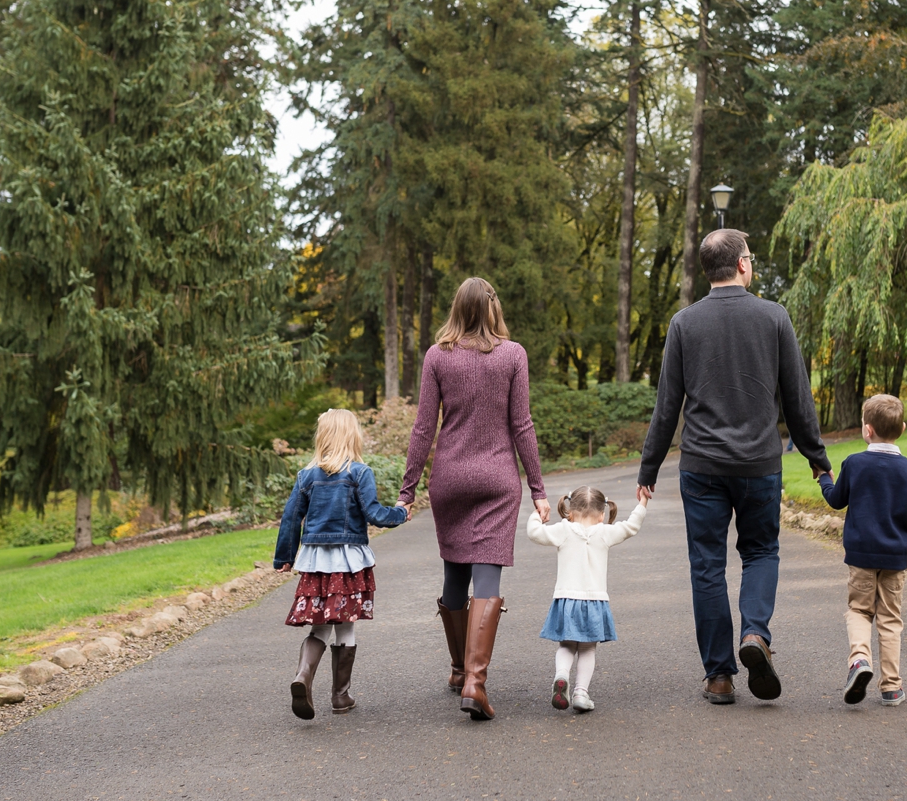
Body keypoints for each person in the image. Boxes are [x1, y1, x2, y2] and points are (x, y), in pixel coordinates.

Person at [639, 228, 832, 704]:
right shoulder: (774, 317)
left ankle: (720, 677)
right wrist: (817, 458)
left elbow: (667, 407)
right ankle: (754, 635)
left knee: (706, 566)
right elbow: (796, 396)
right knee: (761, 552)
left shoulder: (684, 324)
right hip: (759, 464)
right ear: (742, 265)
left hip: (701, 465)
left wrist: (648, 470)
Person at [400, 277, 551, 721]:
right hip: (497, 481)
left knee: (454, 574)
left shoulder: (437, 356)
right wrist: (539, 489)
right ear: (491, 308)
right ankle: (474, 682)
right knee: (486, 580)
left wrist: (407, 490)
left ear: (456, 309)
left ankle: (456, 668)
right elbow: (521, 425)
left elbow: (423, 428)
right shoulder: (512, 355)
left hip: (449, 480)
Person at [816, 393, 907, 707]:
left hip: (861, 556)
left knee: (859, 611)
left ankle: (860, 660)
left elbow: (837, 500)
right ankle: (891, 687)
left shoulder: (854, 463)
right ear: (903, 428)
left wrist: (825, 479)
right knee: (890, 619)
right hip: (895, 559)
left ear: (867, 430)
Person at [273, 408, 410, 719]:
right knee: (345, 625)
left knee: (319, 626)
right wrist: (400, 512)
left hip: (316, 561)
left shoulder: (306, 476)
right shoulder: (360, 472)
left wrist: (284, 557)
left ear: (322, 437)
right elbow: (374, 513)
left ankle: (303, 677)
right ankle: (340, 696)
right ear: (353, 435)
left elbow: (292, 518)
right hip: (348, 560)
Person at [527, 485, 649, 713]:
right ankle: (581, 693)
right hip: (595, 601)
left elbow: (534, 533)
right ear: (602, 514)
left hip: (566, 600)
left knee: (566, 644)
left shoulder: (563, 530)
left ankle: (562, 675)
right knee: (587, 649)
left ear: (569, 512)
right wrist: (642, 503)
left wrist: (537, 514)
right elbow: (632, 526)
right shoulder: (604, 532)